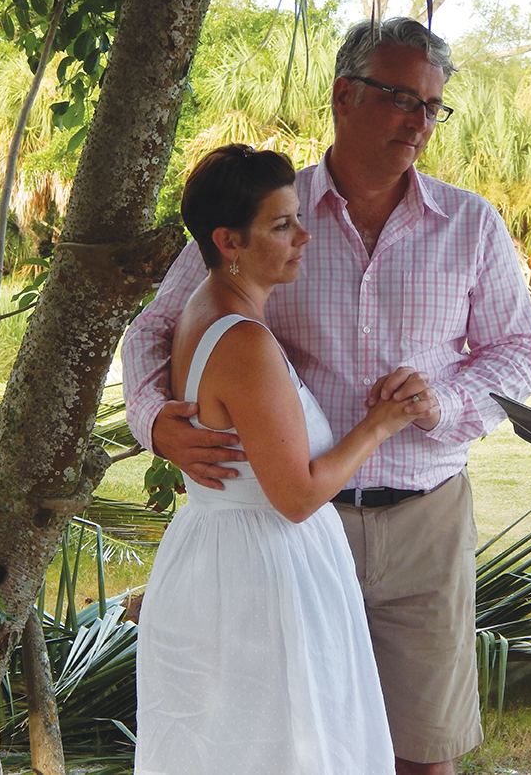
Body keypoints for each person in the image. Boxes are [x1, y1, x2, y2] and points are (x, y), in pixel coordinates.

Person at [123, 19, 531, 774]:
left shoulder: (471, 224)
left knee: (425, 755)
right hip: (287, 535)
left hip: (424, 520)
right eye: (402, 100)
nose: (420, 123)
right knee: (299, 745)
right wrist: (156, 422)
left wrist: (441, 401)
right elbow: (154, 330)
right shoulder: (264, 215)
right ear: (344, 96)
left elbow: (520, 353)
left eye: (432, 106)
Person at [133, 144, 436, 774]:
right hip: (264, 573)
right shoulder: (243, 342)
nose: (303, 236)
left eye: (297, 219)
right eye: (281, 225)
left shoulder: (206, 312)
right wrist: (379, 425)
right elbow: (296, 496)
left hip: (222, 555)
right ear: (229, 241)